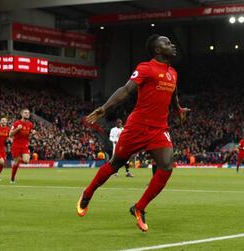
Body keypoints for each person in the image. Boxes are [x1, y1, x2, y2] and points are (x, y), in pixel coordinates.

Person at [76, 34, 190, 232]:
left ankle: (139, 207)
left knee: (167, 166)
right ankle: (88, 192)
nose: (172, 45)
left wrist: (178, 109)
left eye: (172, 42)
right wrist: (105, 108)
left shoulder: (173, 72)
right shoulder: (146, 68)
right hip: (137, 126)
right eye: (167, 43)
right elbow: (126, 90)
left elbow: (173, 94)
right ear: (157, 50)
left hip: (159, 129)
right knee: (115, 165)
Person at [9, 109, 35, 184]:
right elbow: (10, 134)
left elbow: (28, 135)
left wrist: (32, 133)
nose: (27, 114)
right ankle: (12, 178)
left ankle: (18, 160)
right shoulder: (17, 123)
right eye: (25, 113)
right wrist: (17, 128)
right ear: (21, 114)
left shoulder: (30, 124)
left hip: (25, 145)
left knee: (26, 161)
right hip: (16, 145)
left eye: (28, 113)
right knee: (16, 163)